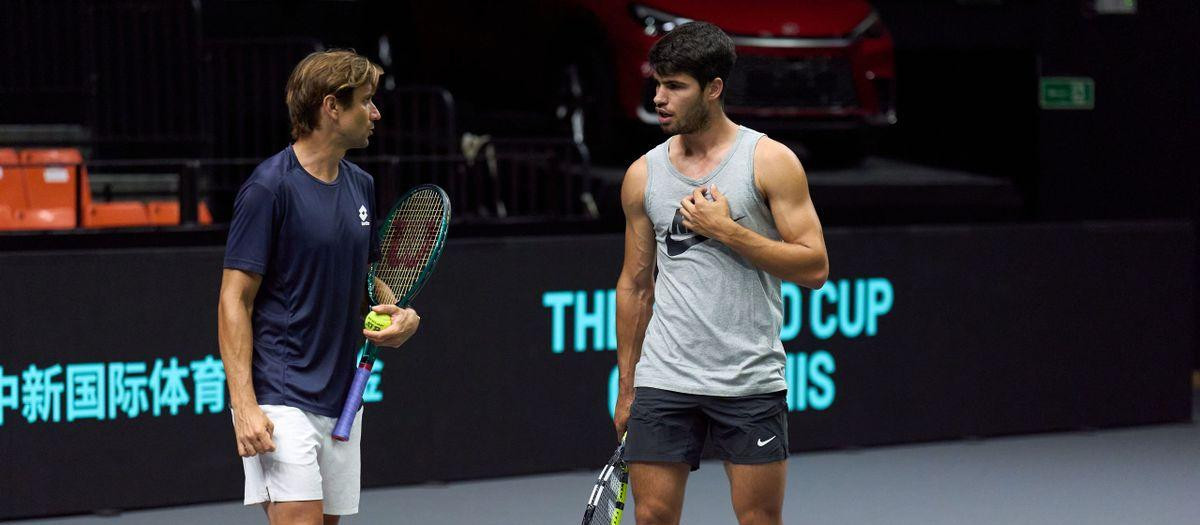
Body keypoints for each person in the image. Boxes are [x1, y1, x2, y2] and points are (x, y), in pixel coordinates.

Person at [613, 22, 829, 525]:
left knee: (758, 518)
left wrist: (727, 230)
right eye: (657, 84)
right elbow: (635, 284)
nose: (660, 98)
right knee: (652, 518)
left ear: (713, 89)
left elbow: (814, 266)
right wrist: (628, 387)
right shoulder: (643, 175)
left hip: (748, 378)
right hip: (665, 378)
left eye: (675, 86)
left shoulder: (770, 162)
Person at [217, 49, 419, 524]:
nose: (376, 113)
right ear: (332, 107)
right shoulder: (269, 188)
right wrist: (244, 405)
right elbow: (234, 298)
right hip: (280, 394)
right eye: (366, 102)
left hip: (340, 396)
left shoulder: (361, 185)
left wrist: (403, 317)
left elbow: (373, 283)